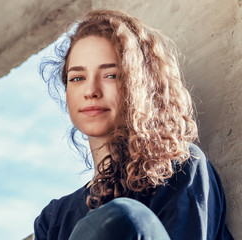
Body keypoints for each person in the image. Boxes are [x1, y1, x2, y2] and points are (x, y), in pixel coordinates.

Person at [34, 9, 233, 240]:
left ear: (139, 85)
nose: (91, 91)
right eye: (77, 78)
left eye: (111, 75)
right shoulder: (53, 220)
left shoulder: (179, 170)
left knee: (123, 217)